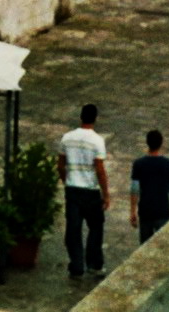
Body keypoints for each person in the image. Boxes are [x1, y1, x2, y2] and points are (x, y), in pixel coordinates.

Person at [58, 103, 110, 279]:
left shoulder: (67, 138)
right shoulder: (97, 141)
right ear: (95, 119)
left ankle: (76, 265)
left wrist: (67, 181)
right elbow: (100, 169)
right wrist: (106, 194)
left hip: (72, 189)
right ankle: (94, 263)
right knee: (95, 227)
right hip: (90, 190)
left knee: (73, 229)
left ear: (80, 117)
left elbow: (60, 165)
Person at [128, 130, 169, 243]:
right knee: (163, 245)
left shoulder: (139, 164)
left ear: (147, 143)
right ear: (161, 143)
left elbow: (134, 189)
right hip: (162, 210)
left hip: (145, 211)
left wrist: (133, 211)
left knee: (144, 246)